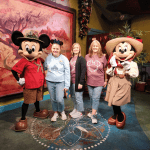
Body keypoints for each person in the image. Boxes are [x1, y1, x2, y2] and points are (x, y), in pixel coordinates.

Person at [10, 30, 50, 131]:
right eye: (28, 48)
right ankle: (23, 118)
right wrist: (19, 80)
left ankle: (37, 111)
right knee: (27, 102)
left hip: (39, 85)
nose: (31, 51)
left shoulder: (39, 60)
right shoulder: (24, 60)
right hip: (29, 86)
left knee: (37, 100)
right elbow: (14, 70)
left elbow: (44, 65)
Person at [105, 36, 143, 129]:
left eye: (125, 49)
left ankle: (121, 116)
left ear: (132, 52)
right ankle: (115, 114)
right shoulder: (114, 61)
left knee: (116, 101)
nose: (122, 52)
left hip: (124, 82)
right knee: (112, 99)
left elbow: (135, 74)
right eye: (119, 49)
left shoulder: (132, 63)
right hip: (114, 81)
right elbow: (108, 72)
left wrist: (128, 69)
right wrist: (113, 66)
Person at [44, 39, 70, 122]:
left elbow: (67, 72)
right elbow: (45, 67)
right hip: (50, 82)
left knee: (59, 99)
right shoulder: (48, 58)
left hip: (60, 82)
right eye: (54, 48)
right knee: (53, 99)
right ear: (51, 49)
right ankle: (55, 113)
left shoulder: (64, 59)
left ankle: (62, 111)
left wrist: (67, 85)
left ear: (60, 49)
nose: (55, 50)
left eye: (57, 48)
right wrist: (46, 76)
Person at [85, 39, 107, 124]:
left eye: (96, 46)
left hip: (99, 81)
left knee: (96, 98)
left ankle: (93, 115)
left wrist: (105, 80)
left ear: (99, 48)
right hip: (90, 81)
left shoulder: (103, 57)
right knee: (91, 98)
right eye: (93, 46)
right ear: (91, 47)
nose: (95, 47)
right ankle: (93, 111)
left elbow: (105, 69)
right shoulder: (87, 56)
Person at [69, 43, 86, 118]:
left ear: (79, 49)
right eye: (74, 48)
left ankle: (80, 111)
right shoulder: (71, 58)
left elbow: (83, 71)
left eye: (77, 47)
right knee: (73, 97)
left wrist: (81, 82)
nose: (75, 49)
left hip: (78, 82)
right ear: (72, 50)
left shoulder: (81, 59)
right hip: (71, 81)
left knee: (78, 97)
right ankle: (75, 109)